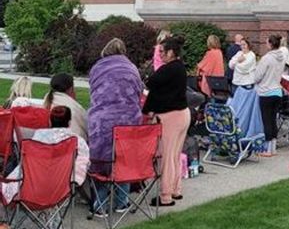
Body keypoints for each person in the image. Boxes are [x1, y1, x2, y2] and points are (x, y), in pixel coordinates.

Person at [2, 106, 90, 229]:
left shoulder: (37, 137)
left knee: (14, 191)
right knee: (32, 193)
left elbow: (24, 168)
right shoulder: (77, 141)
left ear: (50, 121)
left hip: (33, 190)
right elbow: (82, 166)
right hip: (61, 190)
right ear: (69, 122)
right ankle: (51, 227)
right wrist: (73, 182)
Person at [88, 38, 143, 215]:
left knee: (102, 161)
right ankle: (122, 202)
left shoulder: (97, 68)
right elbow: (139, 92)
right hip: (129, 120)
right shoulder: (132, 68)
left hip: (102, 120)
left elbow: (94, 91)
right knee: (124, 159)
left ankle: (101, 205)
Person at [143, 36, 190, 207]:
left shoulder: (168, 69)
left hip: (171, 117)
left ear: (171, 52)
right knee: (175, 156)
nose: (160, 54)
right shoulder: (179, 68)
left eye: (162, 51)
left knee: (167, 157)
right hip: (183, 114)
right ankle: (176, 190)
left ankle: (165, 196)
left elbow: (151, 83)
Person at [254, 34, 286, 156]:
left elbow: (257, 76)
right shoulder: (281, 57)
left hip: (266, 92)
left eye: (267, 42)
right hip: (277, 91)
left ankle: (267, 149)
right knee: (273, 120)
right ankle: (273, 148)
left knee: (266, 120)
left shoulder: (266, 58)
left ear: (270, 44)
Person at [44, 73, 88, 140]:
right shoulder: (75, 107)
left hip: (51, 141)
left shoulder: (47, 99)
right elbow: (88, 127)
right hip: (73, 143)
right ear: (71, 89)